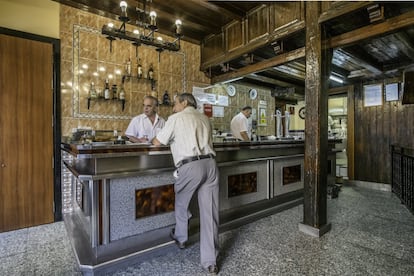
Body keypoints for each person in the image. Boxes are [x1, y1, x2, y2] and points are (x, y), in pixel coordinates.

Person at [152, 93, 220, 274]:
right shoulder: (205, 118)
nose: (173, 107)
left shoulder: (175, 119)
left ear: (184, 102)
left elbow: (157, 142)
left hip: (190, 166)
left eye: (175, 104)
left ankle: (181, 237)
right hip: (211, 165)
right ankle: (210, 262)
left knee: (182, 202)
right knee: (210, 213)